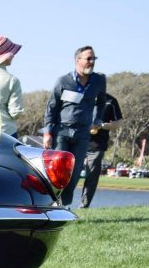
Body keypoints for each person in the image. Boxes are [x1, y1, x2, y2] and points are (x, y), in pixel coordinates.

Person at [43, 46, 107, 207]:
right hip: (61, 131)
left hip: (83, 133)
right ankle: (51, 203)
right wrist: (48, 132)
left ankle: (64, 205)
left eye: (94, 59)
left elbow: (101, 103)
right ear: (77, 60)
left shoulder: (99, 81)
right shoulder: (63, 81)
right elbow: (52, 107)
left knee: (76, 171)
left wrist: (98, 120)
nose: (92, 62)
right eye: (88, 59)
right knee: (58, 170)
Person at [80, 93, 122, 208]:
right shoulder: (80, 97)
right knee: (68, 173)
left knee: (92, 174)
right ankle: (61, 203)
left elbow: (117, 123)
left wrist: (102, 125)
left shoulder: (111, 101)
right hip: (77, 142)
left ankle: (84, 205)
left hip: (97, 144)